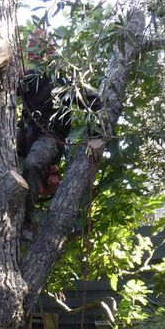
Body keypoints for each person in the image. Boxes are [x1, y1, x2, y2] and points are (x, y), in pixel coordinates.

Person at [17, 28, 103, 238]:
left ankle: (26, 221)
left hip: (50, 138)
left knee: (33, 163)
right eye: (31, 47)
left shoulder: (63, 79)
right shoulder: (27, 78)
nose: (33, 54)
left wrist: (95, 134)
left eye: (37, 47)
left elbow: (95, 102)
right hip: (26, 134)